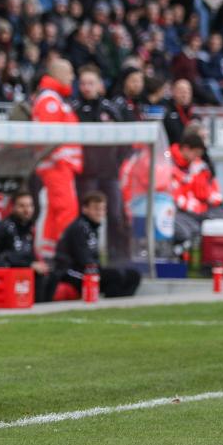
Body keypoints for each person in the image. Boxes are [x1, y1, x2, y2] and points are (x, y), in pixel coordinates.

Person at [72, 64, 129, 260]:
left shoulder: (110, 109)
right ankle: (86, 258)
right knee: (85, 216)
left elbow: (124, 140)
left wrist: (116, 163)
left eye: (91, 83)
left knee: (115, 215)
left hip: (109, 173)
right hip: (85, 174)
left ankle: (118, 261)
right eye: (83, 83)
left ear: (99, 85)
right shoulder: (74, 109)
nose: (87, 87)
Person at [32, 57, 82, 259]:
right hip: (57, 167)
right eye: (69, 72)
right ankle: (64, 254)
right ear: (57, 73)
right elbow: (48, 138)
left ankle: (51, 255)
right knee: (65, 212)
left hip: (60, 167)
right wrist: (63, 161)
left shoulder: (55, 99)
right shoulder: (50, 101)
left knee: (56, 213)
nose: (72, 77)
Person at [53, 191, 141, 298]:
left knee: (134, 275)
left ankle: (121, 302)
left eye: (102, 209)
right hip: (70, 272)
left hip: (88, 269)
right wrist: (101, 271)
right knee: (115, 276)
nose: (100, 213)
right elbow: (84, 260)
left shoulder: (92, 228)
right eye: (96, 209)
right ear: (85, 209)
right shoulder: (79, 228)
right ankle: (109, 303)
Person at [0, 191, 57, 303]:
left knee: (53, 273)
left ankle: (46, 308)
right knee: (39, 276)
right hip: (9, 271)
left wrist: (39, 264)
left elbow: (29, 253)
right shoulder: (3, 227)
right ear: (13, 207)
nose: (27, 210)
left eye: (30, 206)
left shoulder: (29, 227)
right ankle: (37, 307)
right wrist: (30, 265)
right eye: (22, 206)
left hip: (26, 268)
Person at [170, 132, 223, 245]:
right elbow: (178, 196)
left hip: (201, 208)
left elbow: (208, 192)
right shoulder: (170, 164)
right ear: (186, 149)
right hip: (184, 212)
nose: (197, 157)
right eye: (195, 153)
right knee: (191, 231)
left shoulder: (197, 166)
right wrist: (198, 207)